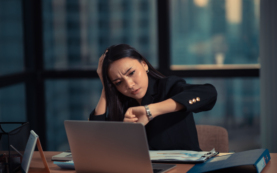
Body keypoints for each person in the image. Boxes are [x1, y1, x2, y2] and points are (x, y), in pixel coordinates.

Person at [89, 44, 217, 151]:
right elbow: (96, 142)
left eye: (132, 73)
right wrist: (106, 88)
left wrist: (150, 111)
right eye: (118, 82)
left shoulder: (168, 86)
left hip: (184, 168)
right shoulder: (122, 102)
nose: (129, 84)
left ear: (144, 65)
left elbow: (208, 93)